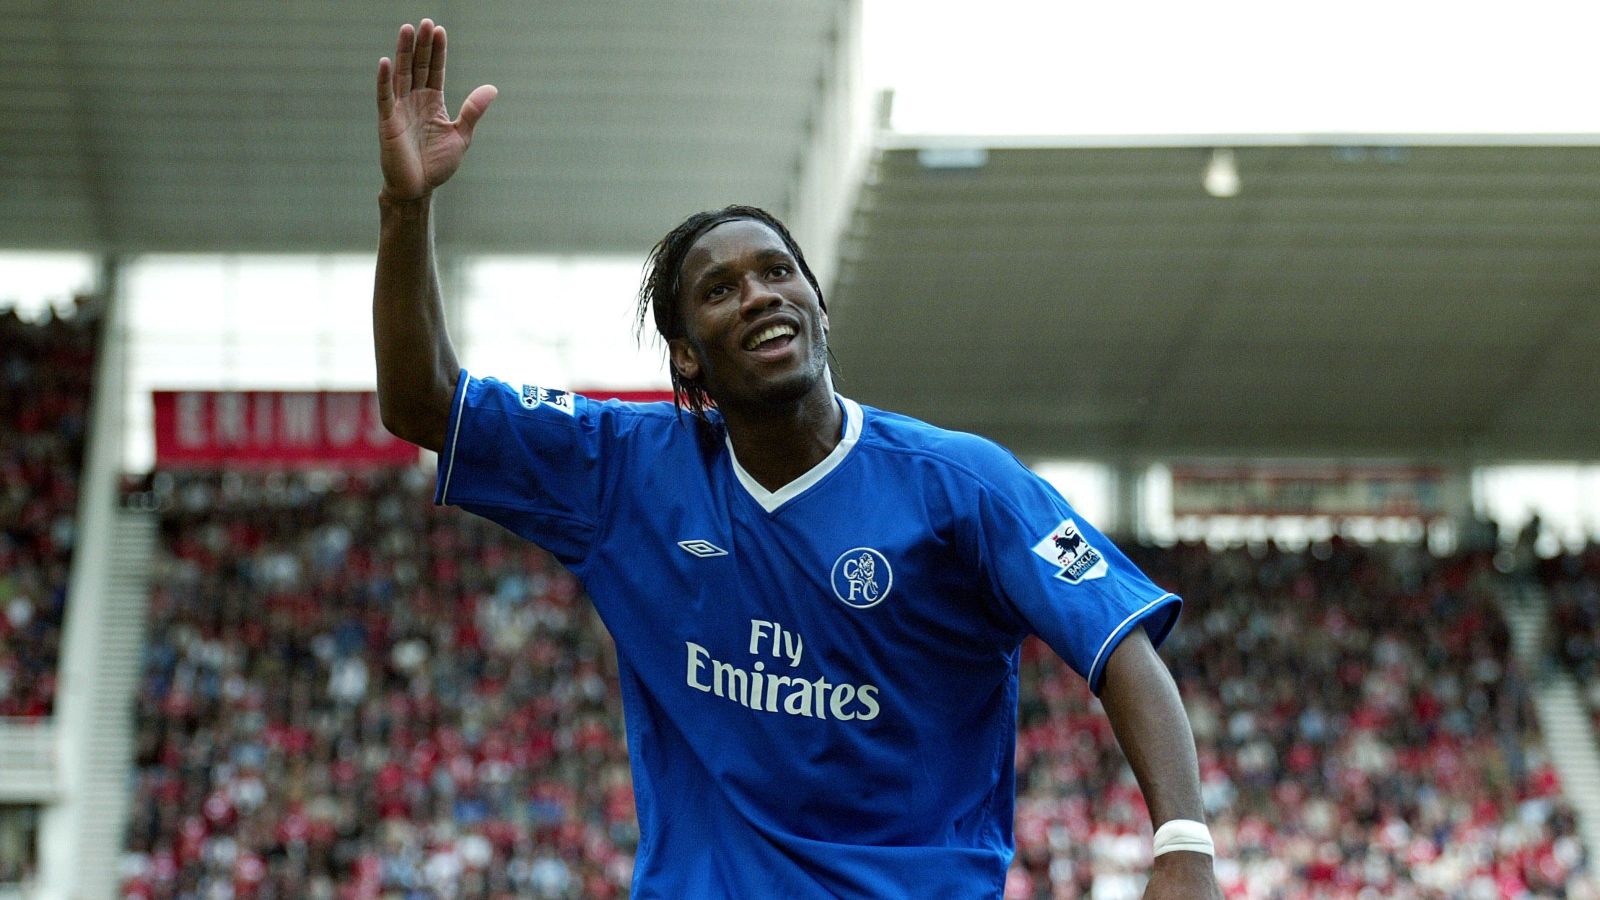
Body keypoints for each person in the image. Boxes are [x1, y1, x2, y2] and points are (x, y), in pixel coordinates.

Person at [373, 19, 1222, 899]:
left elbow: (1121, 646)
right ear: (688, 355)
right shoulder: (620, 470)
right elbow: (422, 402)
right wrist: (407, 209)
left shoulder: (963, 485)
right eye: (721, 289)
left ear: (817, 302)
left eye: (779, 272)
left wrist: (1185, 847)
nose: (759, 295)